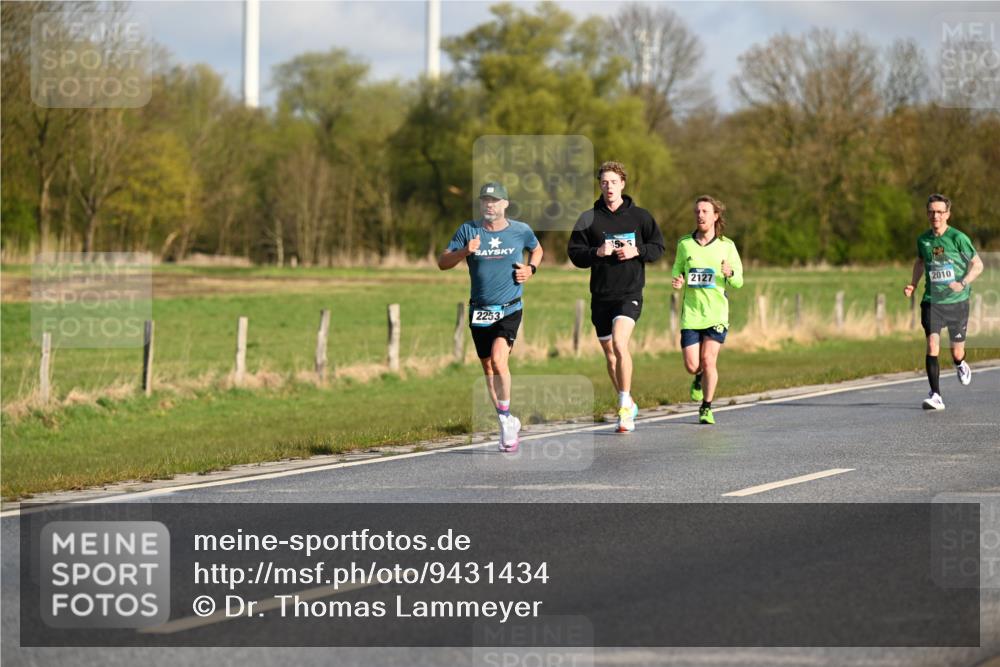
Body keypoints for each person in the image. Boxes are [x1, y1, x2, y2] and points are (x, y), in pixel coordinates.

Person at [438, 182, 543, 451]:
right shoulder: (468, 231)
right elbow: (442, 263)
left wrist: (530, 269)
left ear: (505, 204)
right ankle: (506, 420)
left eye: (495, 201)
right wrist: (465, 252)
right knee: (487, 367)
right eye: (485, 200)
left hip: (509, 307)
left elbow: (537, 248)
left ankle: (507, 420)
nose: (489, 205)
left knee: (498, 360)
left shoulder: (520, 231)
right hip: (479, 310)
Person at [568, 161, 665, 433]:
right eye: (604, 182)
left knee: (621, 344)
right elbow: (575, 253)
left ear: (623, 183)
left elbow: (658, 247)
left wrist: (637, 251)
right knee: (611, 357)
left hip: (629, 292)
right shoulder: (588, 218)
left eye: (613, 182)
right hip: (601, 295)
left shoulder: (641, 217)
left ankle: (623, 408)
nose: (609, 187)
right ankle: (628, 399)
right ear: (600, 185)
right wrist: (597, 252)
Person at [903, 193, 983, 410]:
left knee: (956, 352)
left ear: (947, 214)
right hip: (932, 302)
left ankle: (960, 363)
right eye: (931, 212)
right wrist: (913, 284)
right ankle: (936, 395)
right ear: (927, 214)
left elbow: (978, 265)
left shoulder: (958, 238)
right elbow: (920, 262)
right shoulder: (924, 240)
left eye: (939, 211)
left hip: (957, 301)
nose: (935, 216)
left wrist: (963, 282)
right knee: (932, 345)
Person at [671, 195, 744, 425]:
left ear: (715, 216)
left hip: (716, 314)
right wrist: (678, 281)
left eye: (705, 211)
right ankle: (697, 377)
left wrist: (729, 273)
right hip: (692, 314)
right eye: (697, 212)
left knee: (709, 359)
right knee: (693, 365)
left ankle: (706, 407)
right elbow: (677, 271)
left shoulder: (727, 246)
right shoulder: (685, 244)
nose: (700, 215)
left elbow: (739, 281)